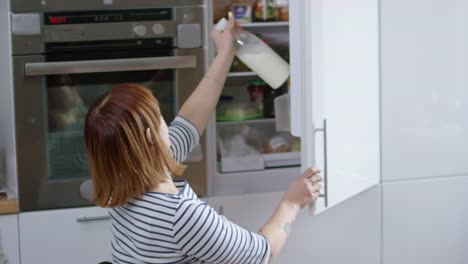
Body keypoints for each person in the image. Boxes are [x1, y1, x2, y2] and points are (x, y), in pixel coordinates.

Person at [83, 13, 322, 264]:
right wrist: (292, 203)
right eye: (161, 117)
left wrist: (225, 53)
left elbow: (190, 121)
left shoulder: (123, 178)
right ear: (151, 139)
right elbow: (260, 252)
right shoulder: (180, 216)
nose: (169, 123)